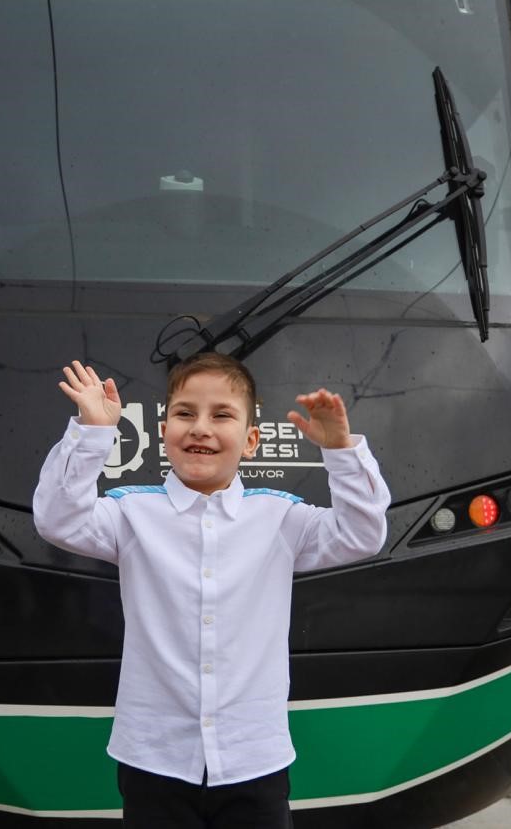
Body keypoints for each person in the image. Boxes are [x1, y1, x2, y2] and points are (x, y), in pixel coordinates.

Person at [33, 353, 390, 828]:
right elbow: (58, 520)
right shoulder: (131, 513)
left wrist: (341, 451)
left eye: (222, 415)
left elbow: (363, 535)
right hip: (153, 760)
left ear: (251, 441)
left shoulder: (281, 518)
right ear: (164, 433)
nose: (200, 428)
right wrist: (93, 431)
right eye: (185, 413)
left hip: (254, 760)